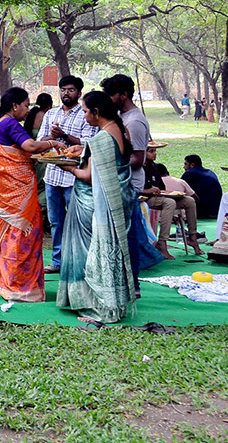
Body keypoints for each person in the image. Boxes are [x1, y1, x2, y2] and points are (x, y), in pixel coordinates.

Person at [57, 90, 137, 324]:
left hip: (93, 202)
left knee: (91, 253)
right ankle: (113, 301)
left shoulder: (100, 139)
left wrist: (68, 168)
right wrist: (82, 152)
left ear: (96, 112)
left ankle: (94, 303)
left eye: (84, 111)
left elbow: (90, 176)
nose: (83, 116)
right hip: (117, 200)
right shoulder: (118, 129)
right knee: (106, 252)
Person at [0, 87, 58, 302]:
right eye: (26, 105)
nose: (28, 110)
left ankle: (7, 285)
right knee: (21, 238)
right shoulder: (9, 123)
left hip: (4, 194)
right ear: (15, 105)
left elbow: (22, 146)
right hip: (16, 197)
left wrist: (44, 140)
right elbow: (30, 146)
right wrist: (53, 143)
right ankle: (21, 288)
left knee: (8, 238)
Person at [102, 73, 161, 283]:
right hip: (120, 180)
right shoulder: (121, 118)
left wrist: (107, 163)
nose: (108, 100)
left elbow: (137, 158)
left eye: (111, 95)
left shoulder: (135, 122)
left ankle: (134, 274)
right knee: (129, 232)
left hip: (129, 182)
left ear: (124, 95)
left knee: (130, 234)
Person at [37, 75, 96, 274]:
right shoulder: (51, 114)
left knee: (77, 220)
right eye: (63, 90)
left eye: (70, 90)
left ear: (79, 93)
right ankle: (58, 261)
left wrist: (64, 136)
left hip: (74, 176)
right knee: (56, 221)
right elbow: (40, 140)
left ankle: (77, 261)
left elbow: (88, 142)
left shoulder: (85, 114)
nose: (66, 93)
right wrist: (51, 139)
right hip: (53, 175)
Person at [144, 154, 204, 257]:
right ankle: (162, 242)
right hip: (146, 198)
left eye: (155, 151)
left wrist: (162, 191)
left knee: (189, 201)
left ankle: (193, 237)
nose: (155, 153)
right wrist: (149, 190)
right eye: (151, 151)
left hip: (159, 196)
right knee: (170, 202)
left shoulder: (154, 167)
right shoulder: (138, 167)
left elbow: (161, 186)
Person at [182, 154, 223, 219]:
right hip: (216, 211)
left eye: (185, 164)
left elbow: (179, 187)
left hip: (202, 212)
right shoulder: (210, 172)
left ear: (192, 165)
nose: (184, 167)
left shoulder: (189, 173)